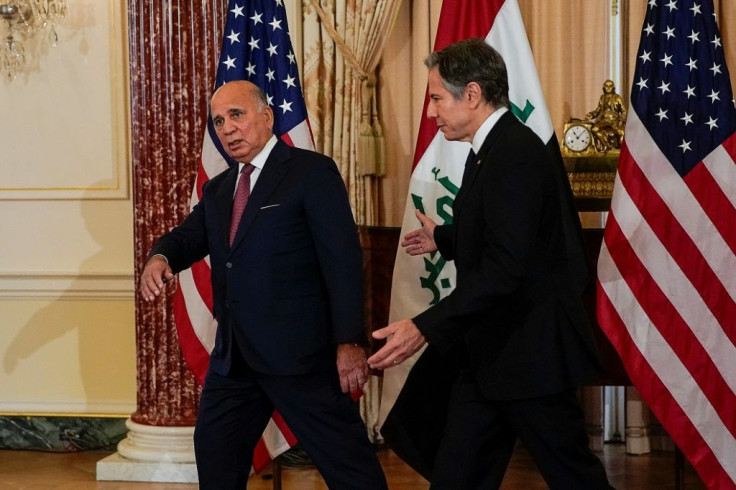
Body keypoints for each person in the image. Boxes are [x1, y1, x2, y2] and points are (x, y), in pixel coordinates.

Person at [368, 39, 613, 489]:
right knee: (458, 478)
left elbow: (506, 267)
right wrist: (443, 236)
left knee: (575, 478)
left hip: (529, 356)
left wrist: (424, 325)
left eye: (438, 98)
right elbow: (504, 231)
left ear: (473, 94)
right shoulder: (492, 149)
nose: (431, 112)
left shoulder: (513, 153)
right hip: (490, 356)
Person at [140, 80, 387, 490]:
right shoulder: (218, 189)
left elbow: (342, 261)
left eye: (236, 115)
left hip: (302, 359)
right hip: (235, 360)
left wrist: (349, 342)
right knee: (215, 456)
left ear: (266, 116)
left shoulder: (311, 172)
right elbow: (188, 236)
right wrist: (161, 256)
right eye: (218, 121)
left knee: (349, 468)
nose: (227, 128)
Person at [586, 79, 626, 152]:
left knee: (621, 132)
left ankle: (621, 149)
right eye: (606, 86)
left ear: (613, 87)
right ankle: (608, 145)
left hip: (614, 121)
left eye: (610, 86)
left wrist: (621, 119)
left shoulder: (617, 98)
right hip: (603, 120)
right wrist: (591, 115)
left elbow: (624, 111)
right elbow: (598, 110)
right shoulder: (602, 97)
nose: (608, 87)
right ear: (604, 87)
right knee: (594, 129)